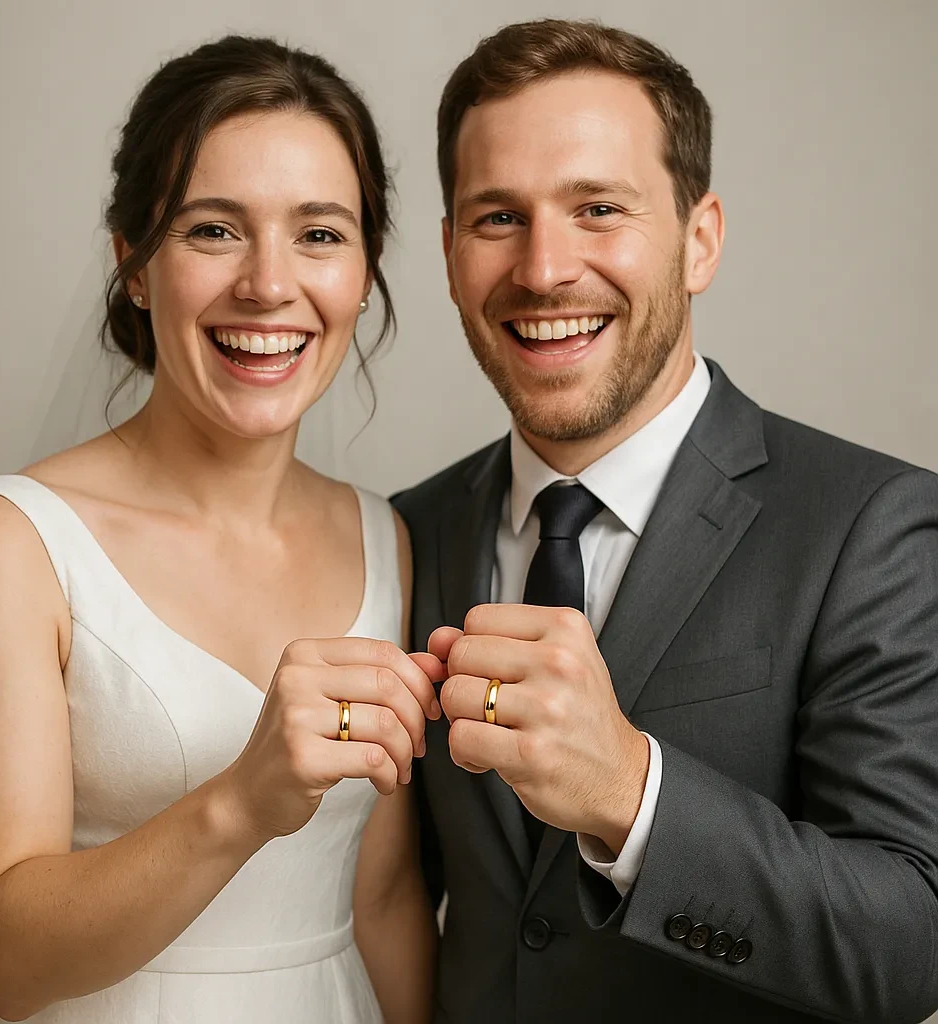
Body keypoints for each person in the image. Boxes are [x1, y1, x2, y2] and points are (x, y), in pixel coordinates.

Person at [393, 18, 938, 1023]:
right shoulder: (406, 531)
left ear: (700, 240)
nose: (544, 268)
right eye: (497, 217)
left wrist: (630, 793)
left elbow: (911, 945)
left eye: (598, 209)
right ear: (449, 252)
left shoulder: (871, 526)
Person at [0, 35, 441, 1024]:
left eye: (319, 233)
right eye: (213, 230)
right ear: (133, 263)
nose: (268, 284)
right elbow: (3, 961)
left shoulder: (387, 538)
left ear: (365, 271)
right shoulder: (7, 543)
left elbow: (381, 898)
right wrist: (240, 802)